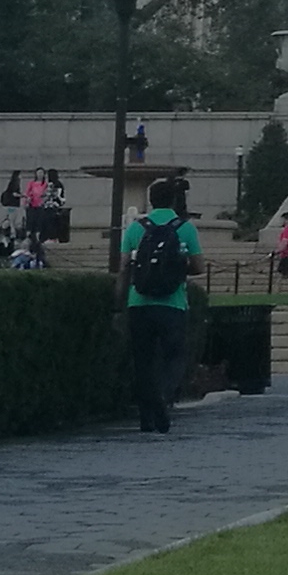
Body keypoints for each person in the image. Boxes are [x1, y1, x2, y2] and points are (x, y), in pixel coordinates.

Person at [118, 169, 204, 433]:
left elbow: (124, 267)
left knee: (142, 360)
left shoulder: (136, 228)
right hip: (172, 302)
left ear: (151, 200)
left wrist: (118, 301)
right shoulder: (185, 228)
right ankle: (163, 397)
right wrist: (177, 267)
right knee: (174, 356)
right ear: (174, 200)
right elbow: (198, 267)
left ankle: (147, 418)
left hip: (139, 302)